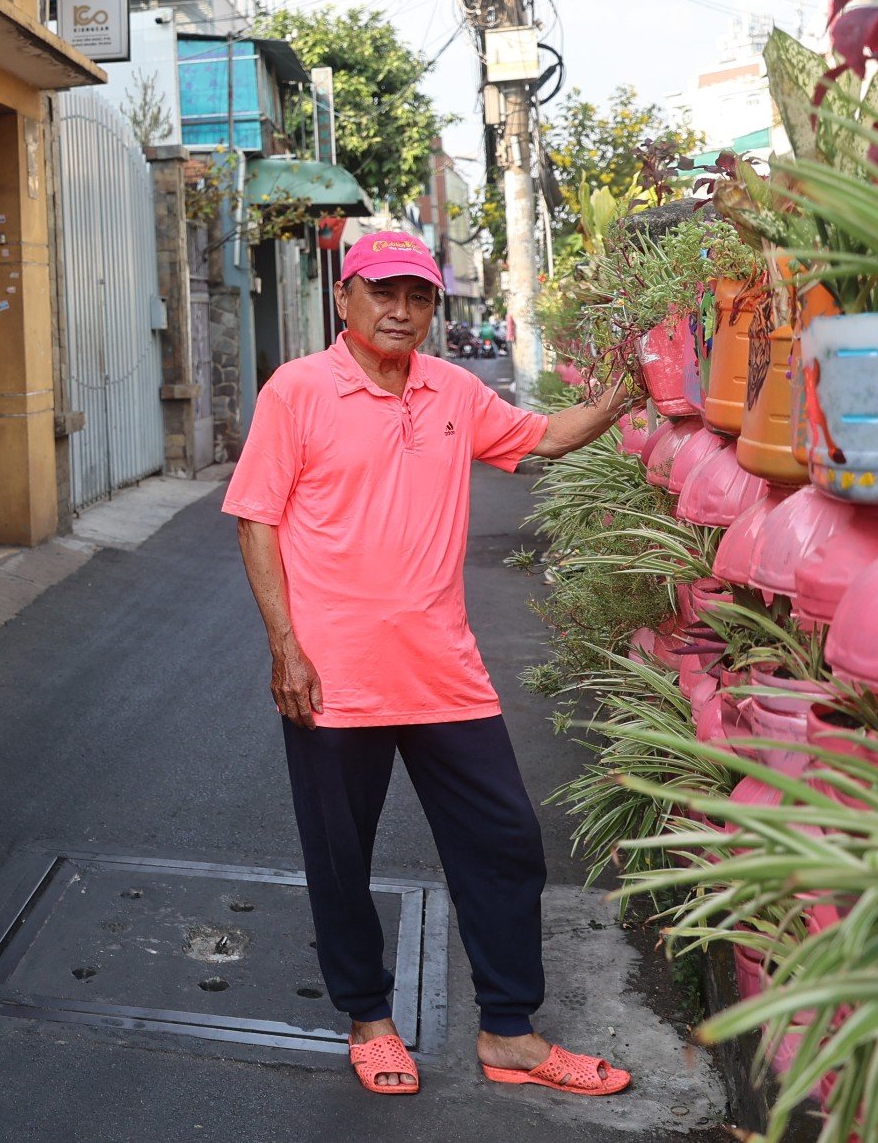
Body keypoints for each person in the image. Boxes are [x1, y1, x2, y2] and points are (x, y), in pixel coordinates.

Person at [223, 230, 638, 1099]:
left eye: (418, 296)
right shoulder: (297, 390)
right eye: (382, 292)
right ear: (345, 298)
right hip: (332, 679)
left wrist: (621, 396)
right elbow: (257, 518)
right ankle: (370, 1019)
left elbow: (543, 436)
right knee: (341, 858)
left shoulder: (454, 390)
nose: (400, 310)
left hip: (445, 671)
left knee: (506, 841)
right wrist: (285, 648)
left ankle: (510, 1033)